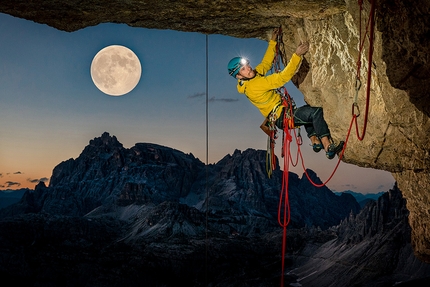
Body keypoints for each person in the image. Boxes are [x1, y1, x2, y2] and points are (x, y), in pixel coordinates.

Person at [227, 28, 344, 159]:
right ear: (239, 76)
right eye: (243, 69)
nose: (248, 68)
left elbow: (265, 64)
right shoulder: (255, 85)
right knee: (315, 113)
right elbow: (282, 77)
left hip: (280, 115)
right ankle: (327, 146)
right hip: (282, 117)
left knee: (306, 111)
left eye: (247, 65)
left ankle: (315, 142)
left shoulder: (251, 79)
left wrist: (273, 42)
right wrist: (297, 55)